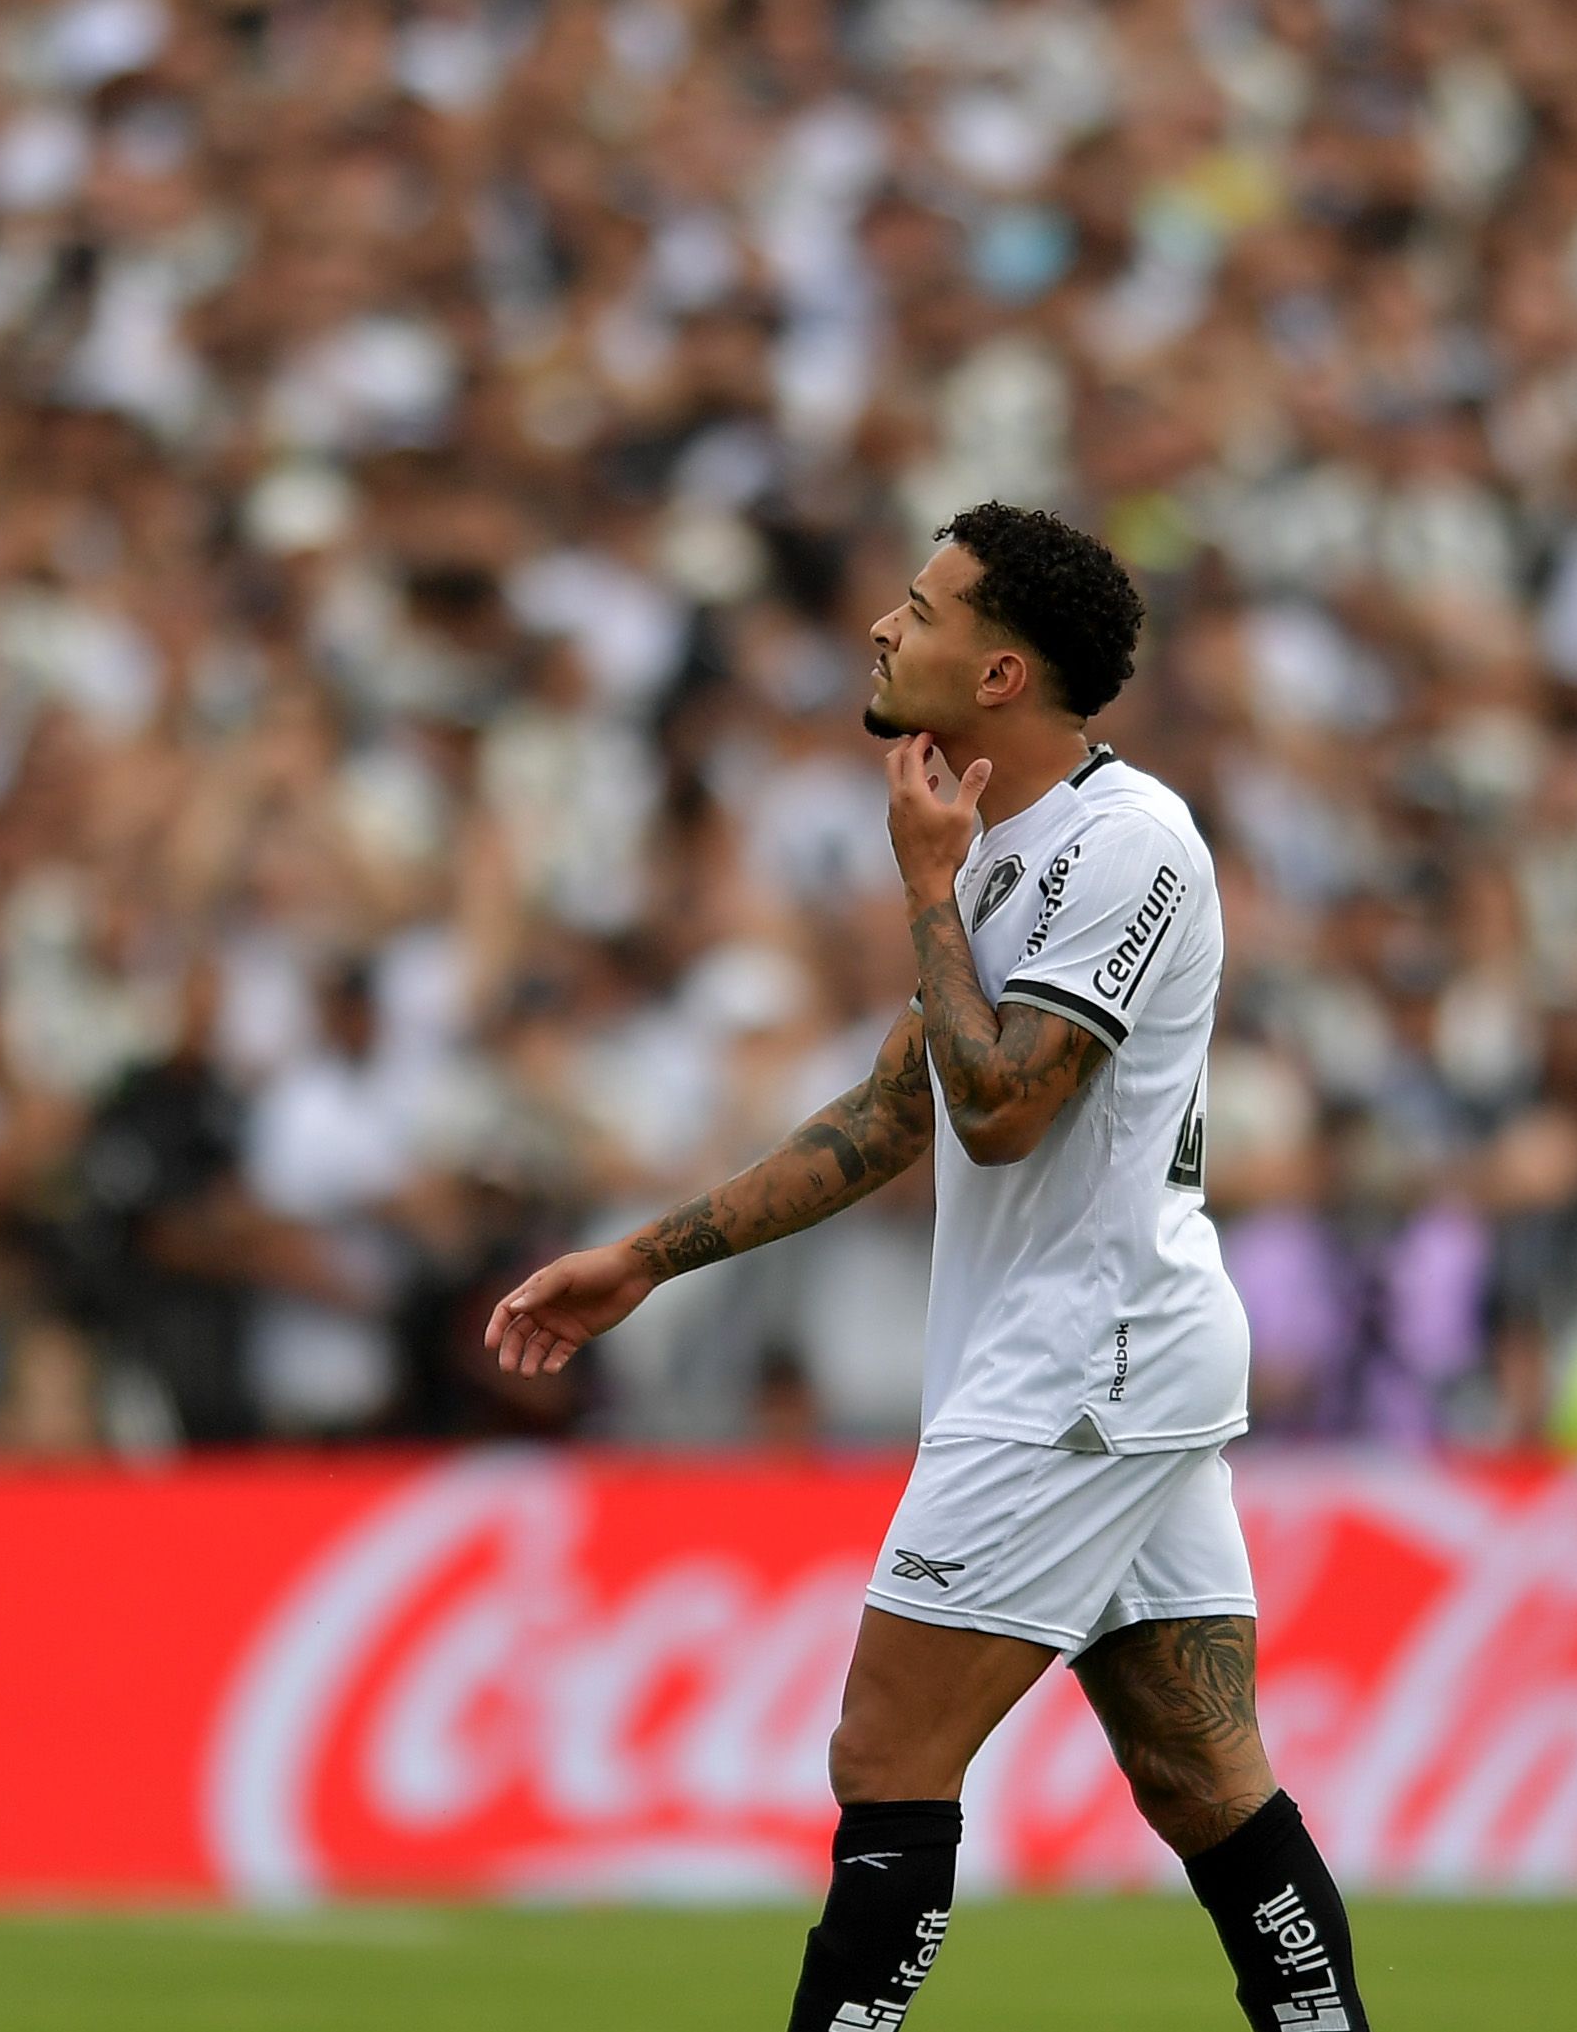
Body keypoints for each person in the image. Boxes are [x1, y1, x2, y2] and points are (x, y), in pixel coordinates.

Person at [485, 505, 1371, 2032]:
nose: (887, 626)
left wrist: (921, 886)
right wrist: (645, 1255)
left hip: (1088, 1361)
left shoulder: (1128, 841)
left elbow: (1007, 1106)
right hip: (1099, 1357)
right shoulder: (1003, 851)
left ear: (1004, 672)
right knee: (1204, 1777)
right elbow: (896, 1107)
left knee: (884, 1755)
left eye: (925, 604)